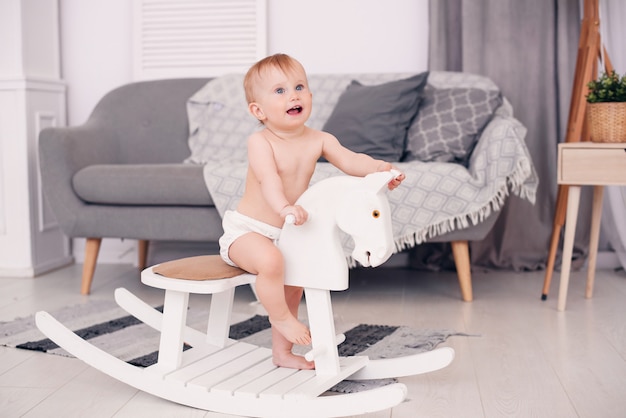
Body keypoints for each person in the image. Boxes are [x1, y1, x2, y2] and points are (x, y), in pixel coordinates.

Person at [219, 53, 405, 370]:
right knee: (271, 261)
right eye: (279, 91)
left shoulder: (319, 139)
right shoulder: (260, 141)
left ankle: (282, 353)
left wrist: (378, 170)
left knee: (295, 283)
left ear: (310, 96)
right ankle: (280, 319)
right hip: (248, 232)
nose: (293, 95)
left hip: (288, 231)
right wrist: (285, 207)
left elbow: (350, 160)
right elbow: (268, 179)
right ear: (258, 110)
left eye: (299, 87)